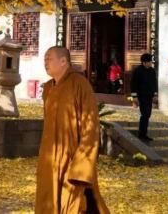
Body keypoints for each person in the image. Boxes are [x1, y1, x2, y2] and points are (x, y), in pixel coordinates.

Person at [36, 46, 109, 214]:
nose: (45, 62)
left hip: (71, 157)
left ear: (63, 61)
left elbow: (91, 125)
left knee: (73, 204)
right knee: (47, 200)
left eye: (49, 58)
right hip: (49, 158)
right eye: (44, 59)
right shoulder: (48, 88)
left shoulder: (80, 84)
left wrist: (83, 162)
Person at [130, 53, 158, 141]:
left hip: (149, 95)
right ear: (144, 62)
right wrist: (134, 97)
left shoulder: (152, 71)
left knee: (148, 114)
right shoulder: (138, 71)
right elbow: (133, 84)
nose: (151, 63)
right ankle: (142, 134)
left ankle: (143, 133)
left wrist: (155, 94)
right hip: (141, 96)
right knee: (145, 114)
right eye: (149, 61)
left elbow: (154, 83)